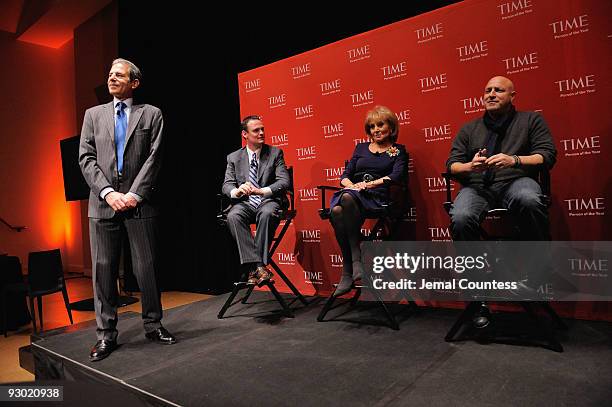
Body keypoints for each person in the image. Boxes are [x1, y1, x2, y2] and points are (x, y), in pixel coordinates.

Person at [79, 58, 176, 362]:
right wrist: (108, 193)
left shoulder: (152, 114)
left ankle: (153, 324)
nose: (112, 78)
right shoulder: (93, 115)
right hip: (103, 204)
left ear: (134, 82)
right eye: (110, 74)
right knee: (103, 271)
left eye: (119, 75)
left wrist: (134, 194)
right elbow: (86, 158)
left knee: (146, 268)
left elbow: (155, 158)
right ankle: (106, 335)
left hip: (140, 203)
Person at [446, 75, 557, 327]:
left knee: (529, 198)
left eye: (498, 90)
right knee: (461, 216)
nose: (491, 94)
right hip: (479, 187)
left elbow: (547, 155)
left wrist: (514, 160)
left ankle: (536, 270)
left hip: (516, 180)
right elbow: (451, 166)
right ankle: (477, 294)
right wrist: (469, 165)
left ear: (512, 96)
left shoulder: (531, 120)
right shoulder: (469, 128)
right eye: (487, 90)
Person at [329, 106, 408, 296]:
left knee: (343, 204)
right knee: (338, 209)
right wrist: (353, 185)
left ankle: (350, 268)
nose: (376, 130)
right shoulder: (361, 148)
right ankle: (352, 267)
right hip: (355, 193)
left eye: (380, 124)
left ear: (391, 127)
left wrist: (369, 185)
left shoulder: (398, 151)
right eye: (372, 126)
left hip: (378, 197)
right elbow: (345, 176)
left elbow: (396, 176)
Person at [222, 115, 290, 286]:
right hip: (245, 203)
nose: (261, 133)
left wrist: (261, 191)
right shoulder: (233, 157)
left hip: (268, 201)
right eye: (256, 130)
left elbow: (284, 181)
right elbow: (227, 185)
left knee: (267, 213)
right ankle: (259, 267)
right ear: (245, 134)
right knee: (233, 216)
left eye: (262, 129)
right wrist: (237, 191)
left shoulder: (275, 153)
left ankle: (255, 267)